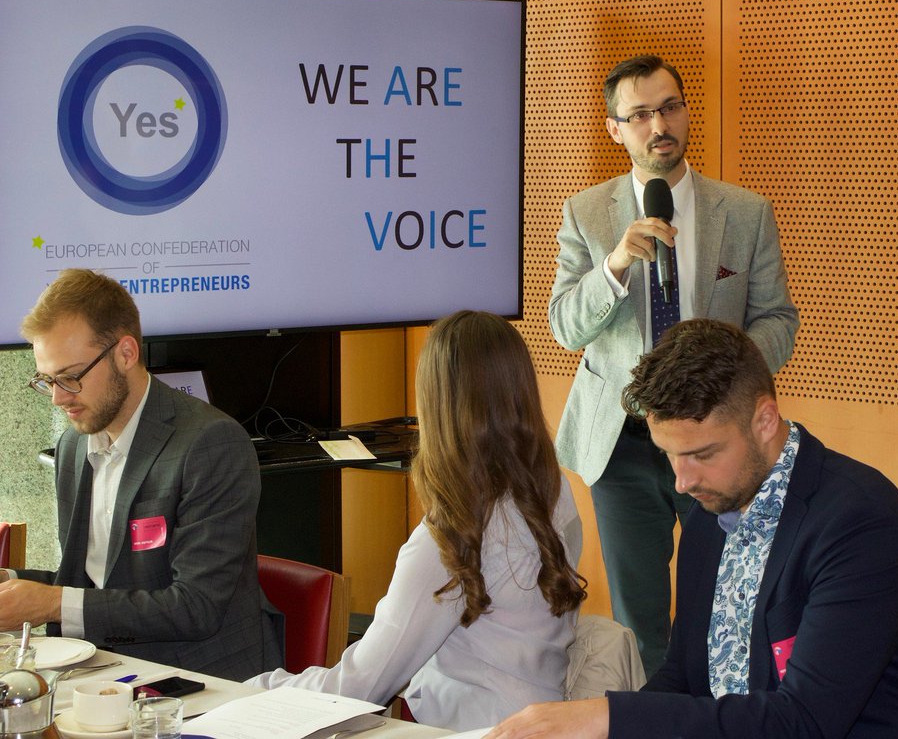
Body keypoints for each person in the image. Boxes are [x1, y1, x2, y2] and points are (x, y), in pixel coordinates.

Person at [490, 319, 898, 739]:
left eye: (703, 454)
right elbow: (684, 679)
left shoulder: (860, 523)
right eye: (669, 453)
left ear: (765, 420)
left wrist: (607, 718)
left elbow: (805, 721)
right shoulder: (711, 515)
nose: (682, 480)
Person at [549, 53, 799, 677]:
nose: (658, 124)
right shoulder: (586, 214)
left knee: (726, 602)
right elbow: (563, 327)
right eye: (639, 115)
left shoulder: (743, 213)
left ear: (684, 112)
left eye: (668, 107)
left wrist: (724, 376)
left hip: (719, 437)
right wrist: (612, 266)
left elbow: (777, 320)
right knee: (640, 622)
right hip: (625, 446)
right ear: (616, 129)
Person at [249, 310, 587, 731]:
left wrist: (259, 690)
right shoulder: (554, 491)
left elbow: (357, 691)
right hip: (542, 716)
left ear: (437, 405)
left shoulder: (451, 539)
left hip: (472, 728)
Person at [0, 268, 281, 679]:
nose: (59, 398)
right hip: (105, 673)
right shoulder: (75, 444)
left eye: (71, 377)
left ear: (126, 354)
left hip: (200, 683)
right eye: (47, 380)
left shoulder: (210, 443)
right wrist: (12, 582)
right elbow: (93, 580)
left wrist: (52, 603)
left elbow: (195, 607)